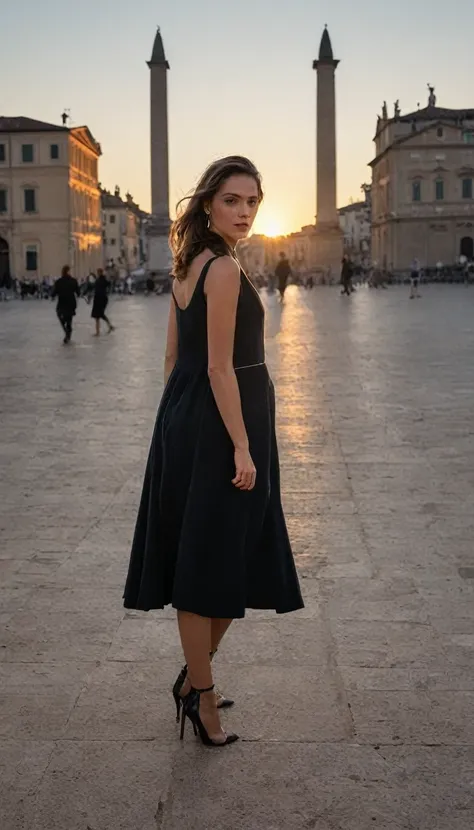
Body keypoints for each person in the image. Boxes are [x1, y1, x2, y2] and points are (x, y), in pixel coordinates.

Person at [123, 156, 304, 748]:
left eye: (252, 201)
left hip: (192, 419)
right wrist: (241, 446)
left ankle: (193, 680)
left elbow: (173, 359)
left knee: (223, 554)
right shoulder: (222, 269)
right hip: (226, 424)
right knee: (214, 560)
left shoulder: (187, 265)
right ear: (208, 204)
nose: (245, 212)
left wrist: (180, 419)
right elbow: (221, 366)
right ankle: (201, 698)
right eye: (232, 200)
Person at [51, 265, 80, 343]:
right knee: (69, 319)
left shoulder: (59, 281)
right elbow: (78, 292)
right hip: (70, 303)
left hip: (62, 302)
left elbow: (54, 292)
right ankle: (68, 333)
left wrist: (52, 295)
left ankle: (67, 334)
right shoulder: (73, 281)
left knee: (61, 315)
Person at [91, 268, 115, 335]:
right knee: (99, 315)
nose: (98, 273)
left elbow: (97, 288)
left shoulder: (100, 280)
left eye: (98, 272)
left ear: (100, 272)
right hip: (101, 299)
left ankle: (98, 332)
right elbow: (109, 284)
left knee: (98, 315)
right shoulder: (101, 280)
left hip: (99, 299)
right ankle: (108, 327)